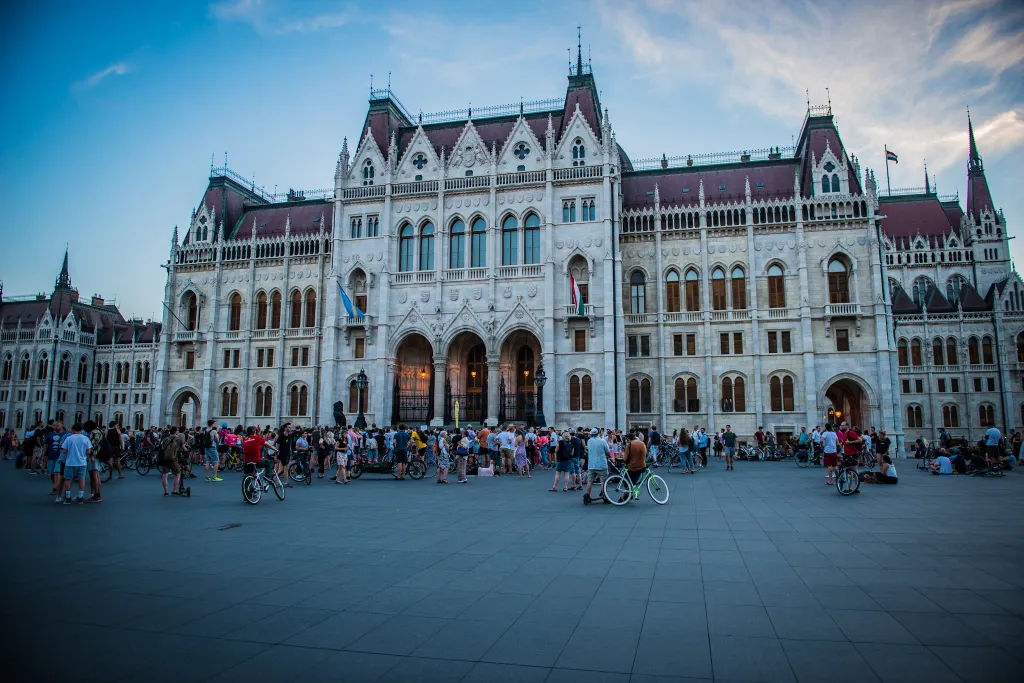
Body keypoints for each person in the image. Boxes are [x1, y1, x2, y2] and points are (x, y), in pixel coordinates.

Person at [59, 423, 92, 504]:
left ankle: (67, 497)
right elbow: (88, 451)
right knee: (82, 479)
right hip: (82, 462)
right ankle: (80, 497)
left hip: (70, 462)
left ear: (73, 430)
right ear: (81, 430)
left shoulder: (69, 438)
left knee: (68, 479)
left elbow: (64, 450)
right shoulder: (85, 438)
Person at [42, 419, 67, 500]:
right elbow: (46, 444)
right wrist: (44, 455)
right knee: (52, 473)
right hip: (51, 456)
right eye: (54, 425)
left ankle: (55, 488)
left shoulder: (65, 434)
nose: (55, 427)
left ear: (62, 425)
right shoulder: (50, 434)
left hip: (60, 457)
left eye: (57, 425)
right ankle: (56, 484)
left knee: (57, 472)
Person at [585, 428, 611, 502]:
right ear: (599, 433)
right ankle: (604, 496)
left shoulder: (589, 441)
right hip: (601, 464)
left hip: (591, 464)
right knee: (603, 481)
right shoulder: (602, 441)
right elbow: (608, 452)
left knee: (590, 480)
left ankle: (587, 494)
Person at [159, 426, 185, 496]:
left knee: (165, 475)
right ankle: (174, 490)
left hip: (164, 458)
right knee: (177, 474)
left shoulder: (165, 439)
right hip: (173, 459)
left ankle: (166, 492)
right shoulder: (179, 439)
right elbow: (184, 448)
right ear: (176, 431)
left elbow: (161, 447)